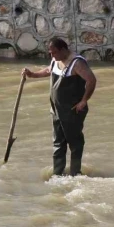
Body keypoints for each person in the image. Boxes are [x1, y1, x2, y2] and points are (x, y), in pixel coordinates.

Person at [22, 37, 97, 176]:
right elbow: (48, 70)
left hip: (73, 110)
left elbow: (91, 80)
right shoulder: (56, 60)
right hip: (56, 110)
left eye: (54, 52)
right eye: (50, 53)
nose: (52, 56)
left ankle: (75, 174)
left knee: (75, 144)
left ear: (63, 50)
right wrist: (32, 75)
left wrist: (84, 100)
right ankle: (58, 174)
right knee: (58, 144)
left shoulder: (77, 63)